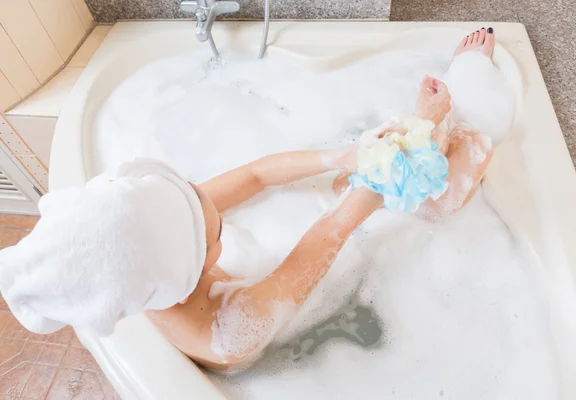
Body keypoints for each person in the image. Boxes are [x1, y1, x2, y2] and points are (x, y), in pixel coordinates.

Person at [148, 28, 497, 370]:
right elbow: (334, 229)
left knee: (351, 179)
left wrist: (342, 156)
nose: (207, 204)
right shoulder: (233, 331)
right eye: (218, 231)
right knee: (471, 149)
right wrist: (420, 132)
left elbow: (256, 176)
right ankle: (459, 109)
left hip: (310, 237)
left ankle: (431, 141)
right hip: (336, 269)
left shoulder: (155, 246)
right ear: (191, 278)